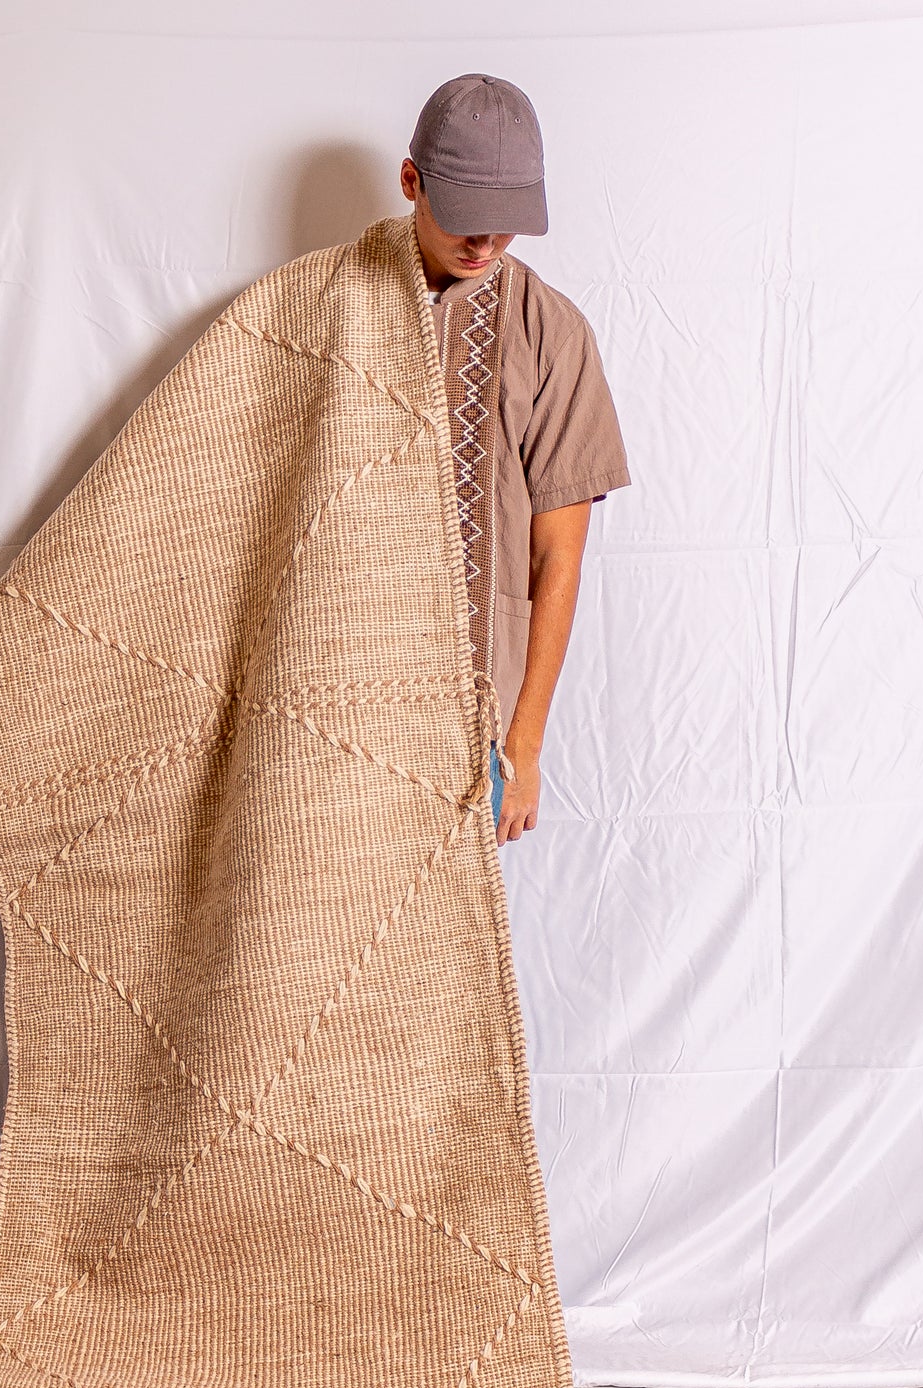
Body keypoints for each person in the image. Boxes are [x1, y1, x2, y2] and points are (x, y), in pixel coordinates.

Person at [401, 75, 630, 844]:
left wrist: (522, 746)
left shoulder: (552, 333)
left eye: (504, 227)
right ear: (411, 182)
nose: (483, 246)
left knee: (454, 914)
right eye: (465, 220)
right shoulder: (326, 306)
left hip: (478, 709)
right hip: (329, 682)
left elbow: (556, 555)